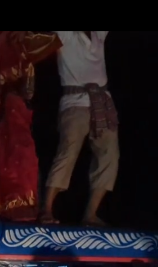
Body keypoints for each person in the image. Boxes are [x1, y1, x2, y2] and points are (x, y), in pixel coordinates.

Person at [0, 31, 62, 222]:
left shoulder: (22, 40)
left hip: (17, 105)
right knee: (8, 152)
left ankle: (16, 205)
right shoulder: (0, 42)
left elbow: (48, 42)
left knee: (21, 154)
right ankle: (8, 205)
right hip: (6, 104)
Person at [42, 31, 119, 226]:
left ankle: (90, 214)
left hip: (102, 103)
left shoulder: (98, 34)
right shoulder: (67, 35)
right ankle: (47, 209)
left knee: (109, 156)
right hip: (75, 102)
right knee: (67, 153)